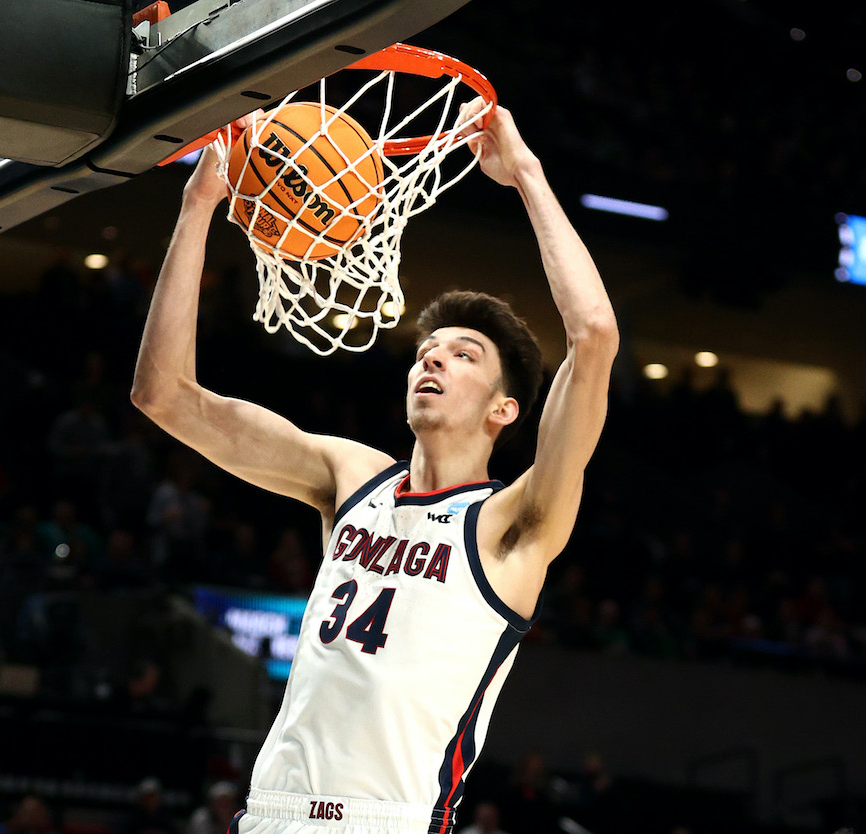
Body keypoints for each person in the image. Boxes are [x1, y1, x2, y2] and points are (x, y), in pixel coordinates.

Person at [131, 100, 619, 834]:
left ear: (504, 410)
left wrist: (525, 173)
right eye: (431, 350)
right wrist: (200, 204)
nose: (435, 358)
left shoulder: (513, 525)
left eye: (465, 356)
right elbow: (163, 395)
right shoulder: (351, 476)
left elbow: (594, 334)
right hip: (269, 814)